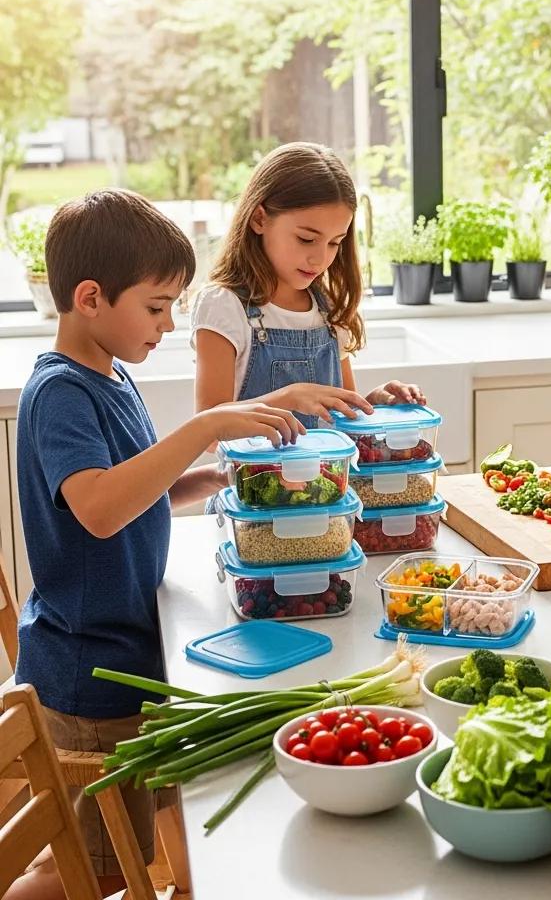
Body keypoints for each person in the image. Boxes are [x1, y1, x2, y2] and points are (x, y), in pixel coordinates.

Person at [10, 190, 305, 900]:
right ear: (90, 298)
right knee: (88, 871)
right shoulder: (61, 393)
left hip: (125, 651)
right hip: (88, 675)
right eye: (156, 306)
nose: (169, 324)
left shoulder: (112, 377)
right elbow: (100, 510)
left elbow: (135, 491)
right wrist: (205, 427)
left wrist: (212, 478)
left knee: (146, 836)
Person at [191, 142, 424, 432]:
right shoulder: (224, 305)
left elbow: (344, 417)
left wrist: (373, 404)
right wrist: (288, 398)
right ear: (259, 219)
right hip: (256, 465)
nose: (320, 258)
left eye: (335, 243)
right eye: (306, 239)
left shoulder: (329, 307)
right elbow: (208, 432)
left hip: (333, 465)